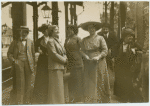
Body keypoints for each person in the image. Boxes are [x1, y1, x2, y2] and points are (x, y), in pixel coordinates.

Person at [79, 21, 110, 103]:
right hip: (88, 62)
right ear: (87, 30)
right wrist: (85, 56)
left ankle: (99, 99)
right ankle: (90, 99)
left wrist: (98, 57)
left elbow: (105, 50)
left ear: (95, 29)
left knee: (99, 79)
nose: (91, 29)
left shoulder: (100, 38)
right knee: (89, 81)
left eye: (93, 28)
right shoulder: (84, 39)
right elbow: (81, 51)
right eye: (89, 28)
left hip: (98, 62)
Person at [7, 26, 35, 104]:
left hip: (28, 64)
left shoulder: (30, 41)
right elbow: (9, 53)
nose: (22, 33)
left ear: (27, 33)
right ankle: (20, 102)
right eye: (21, 32)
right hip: (19, 64)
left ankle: (27, 100)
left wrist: (33, 65)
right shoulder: (15, 42)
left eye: (24, 32)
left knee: (29, 83)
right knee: (20, 83)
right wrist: (14, 61)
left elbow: (33, 54)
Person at [114, 28, 142, 102]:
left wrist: (135, 52)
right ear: (124, 37)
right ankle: (123, 99)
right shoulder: (118, 45)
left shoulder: (135, 45)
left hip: (131, 69)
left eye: (132, 36)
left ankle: (131, 99)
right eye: (128, 36)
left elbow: (141, 51)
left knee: (130, 84)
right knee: (121, 84)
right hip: (120, 68)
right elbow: (113, 55)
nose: (131, 38)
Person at [47, 25, 68, 104]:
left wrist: (65, 58)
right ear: (51, 31)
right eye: (56, 30)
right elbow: (53, 54)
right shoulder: (50, 41)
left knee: (59, 89)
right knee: (56, 89)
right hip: (55, 67)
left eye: (58, 29)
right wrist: (64, 61)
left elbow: (64, 52)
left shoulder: (57, 41)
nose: (58, 31)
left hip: (60, 67)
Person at [64, 24, 84, 103]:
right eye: (68, 29)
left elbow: (82, 50)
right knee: (71, 80)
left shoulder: (78, 38)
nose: (69, 31)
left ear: (75, 30)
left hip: (77, 61)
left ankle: (78, 98)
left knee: (78, 79)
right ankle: (71, 97)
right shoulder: (67, 39)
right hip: (69, 61)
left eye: (71, 29)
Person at [32, 24, 49, 104]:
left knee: (50, 79)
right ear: (43, 31)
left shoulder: (54, 39)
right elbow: (35, 51)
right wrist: (38, 52)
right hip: (42, 62)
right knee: (41, 79)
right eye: (46, 30)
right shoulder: (38, 41)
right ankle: (39, 98)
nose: (47, 31)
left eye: (48, 29)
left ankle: (49, 96)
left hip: (50, 62)